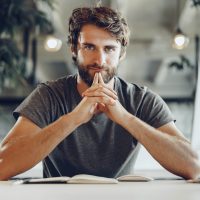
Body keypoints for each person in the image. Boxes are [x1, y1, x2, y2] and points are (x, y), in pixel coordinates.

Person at [0, 6, 199, 181]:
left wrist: (125, 118)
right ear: (74, 48)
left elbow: (194, 166)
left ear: (121, 54)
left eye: (110, 49)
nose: (100, 60)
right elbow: (2, 165)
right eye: (89, 47)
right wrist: (73, 119)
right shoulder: (49, 95)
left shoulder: (142, 100)